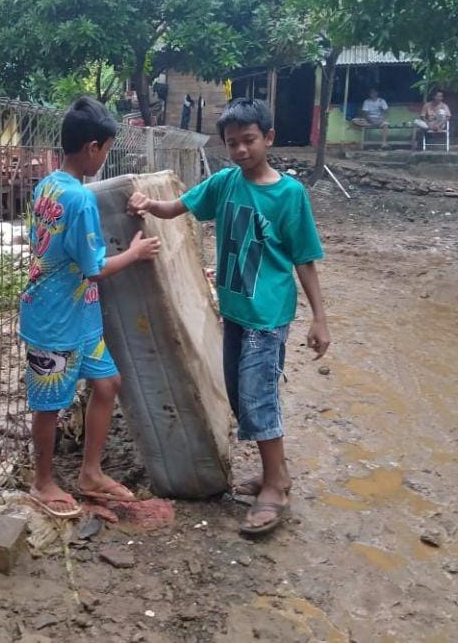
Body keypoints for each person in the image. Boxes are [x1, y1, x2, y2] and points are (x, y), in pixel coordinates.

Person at [127, 98, 330, 536]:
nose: (240, 150)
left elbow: (305, 259)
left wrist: (320, 318)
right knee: (241, 397)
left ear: (269, 138)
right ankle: (274, 472)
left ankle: (276, 486)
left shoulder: (288, 195)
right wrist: (145, 204)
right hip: (235, 312)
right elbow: (177, 207)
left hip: (268, 314)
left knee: (258, 398)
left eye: (249, 140)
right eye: (232, 143)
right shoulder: (223, 184)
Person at [20, 96, 161, 519]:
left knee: (107, 383)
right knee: (48, 405)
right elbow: (94, 268)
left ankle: (90, 473)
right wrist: (135, 253)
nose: (104, 158)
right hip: (54, 321)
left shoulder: (48, 185)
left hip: (78, 316)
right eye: (106, 149)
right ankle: (42, 481)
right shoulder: (79, 200)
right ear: (93, 148)